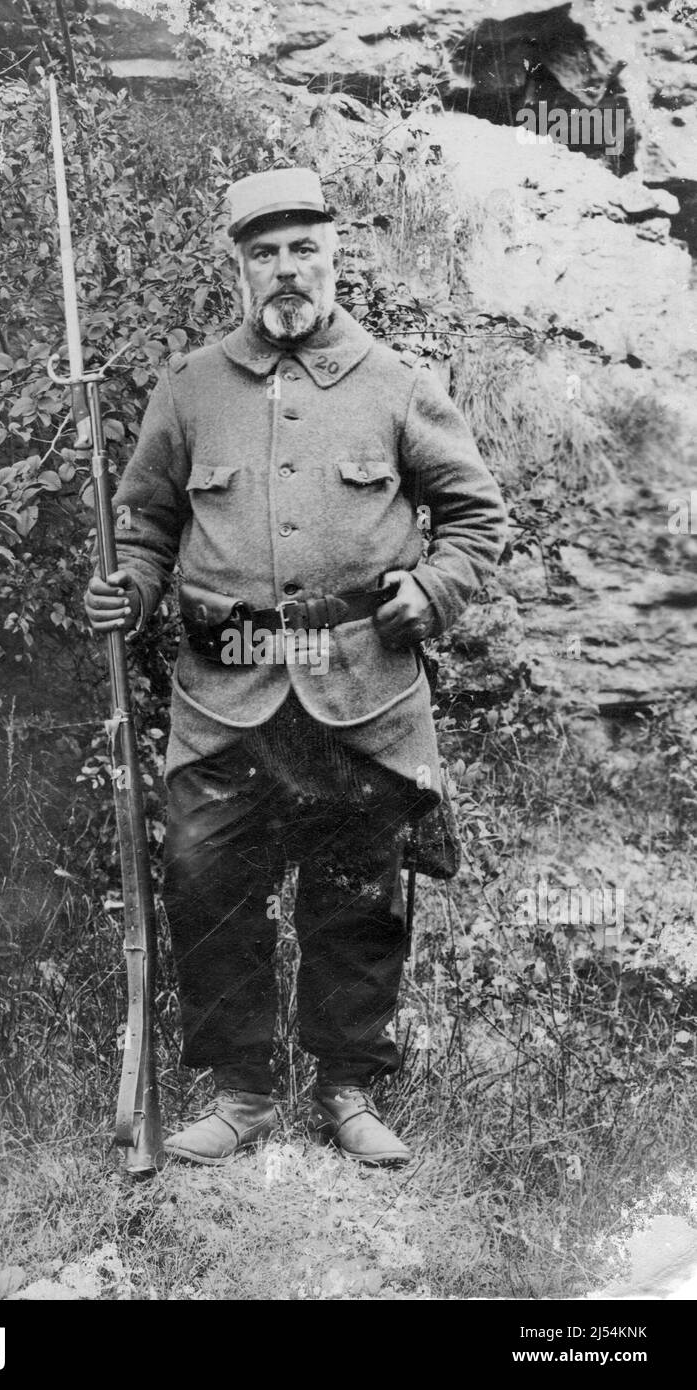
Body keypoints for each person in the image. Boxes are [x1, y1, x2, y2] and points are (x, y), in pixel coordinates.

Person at [84, 168, 507, 1166]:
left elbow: (477, 519)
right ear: (239, 267)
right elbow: (146, 520)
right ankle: (239, 1092)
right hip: (223, 691)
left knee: (359, 894)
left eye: (302, 249)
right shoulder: (191, 386)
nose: (286, 271)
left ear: (334, 255)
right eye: (264, 254)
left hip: (361, 689)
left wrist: (433, 591)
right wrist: (132, 587)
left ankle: (349, 1085)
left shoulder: (398, 383)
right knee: (206, 880)